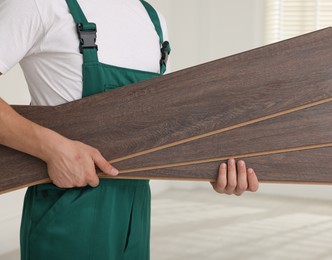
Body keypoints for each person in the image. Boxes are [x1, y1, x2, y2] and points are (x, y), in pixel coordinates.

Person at [0, 0, 259, 259]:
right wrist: (52, 148)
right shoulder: (39, 5)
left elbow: (162, 123)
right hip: (66, 211)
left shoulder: (153, 19)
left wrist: (212, 167)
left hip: (136, 211)